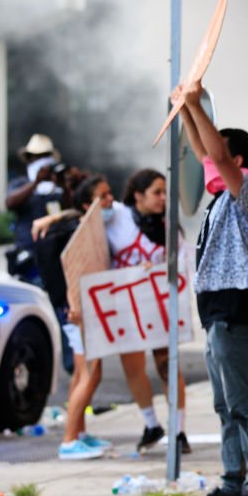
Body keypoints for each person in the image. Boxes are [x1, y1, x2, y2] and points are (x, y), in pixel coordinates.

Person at [174, 81, 248, 496]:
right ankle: (232, 481)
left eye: (222, 155)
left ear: (237, 161)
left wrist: (198, 105)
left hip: (236, 308)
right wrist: (185, 112)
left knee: (241, 402)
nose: (211, 160)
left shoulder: (247, 196)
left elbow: (213, 155)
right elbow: (204, 153)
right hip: (215, 308)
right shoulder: (219, 198)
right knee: (223, 403)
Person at [107, 168, 191, 455]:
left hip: (158, 307)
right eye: (156, 192)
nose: (162, 198)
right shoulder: (118, 217)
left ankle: (178, 431)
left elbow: (181, 267)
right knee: (133, 367)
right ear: (138, 195)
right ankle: (150, 424)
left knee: (168, 365)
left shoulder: (170, 228)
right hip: (124, 306)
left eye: (165, 193)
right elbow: (84, 217)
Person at [32, 174, 114, 460]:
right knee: (90, 375)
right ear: (86, 204)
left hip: (75, 312)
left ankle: (78, 433)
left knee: (83, 373)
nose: (109, 200)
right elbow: (73, 272)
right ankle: (69, 441)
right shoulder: (77, 233)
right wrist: (75, 308)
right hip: (78, 313)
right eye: (102, 196)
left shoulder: (76, 227)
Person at [6, 134, 68, 285]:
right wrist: (36, 182)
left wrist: (63, 185)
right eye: (38, 157)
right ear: (30, 159)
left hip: (55, 254)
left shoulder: (58, 187)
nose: (42, 161)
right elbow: (10, 203)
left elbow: (71, 209)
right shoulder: (21, 183)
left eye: (46, 156)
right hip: (29, 254)